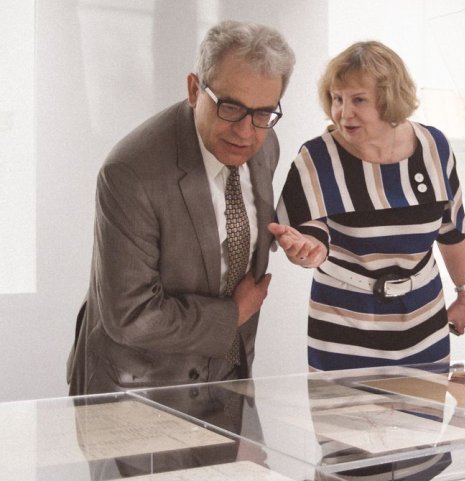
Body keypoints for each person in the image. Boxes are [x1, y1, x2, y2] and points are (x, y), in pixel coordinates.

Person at [67, 20, 296, 396]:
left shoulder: (264, 145)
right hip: (138, 390)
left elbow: (239, 234)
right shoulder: (131, 172)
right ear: (194, 89)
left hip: (229, 382)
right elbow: (131, 316)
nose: (245, 132)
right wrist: (232, 316)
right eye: (230, 107)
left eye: (263, 114)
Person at [269, 40, 465, 372]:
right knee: (344, 409)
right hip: (344, 326)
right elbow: (310, 235)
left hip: (424, 320)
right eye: (337, 99)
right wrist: (307, 251)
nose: (343, 112)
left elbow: (452, 231)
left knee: (425, 407)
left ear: (390, 99)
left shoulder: (434, 147)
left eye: (358, 100)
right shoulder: (317, 158)